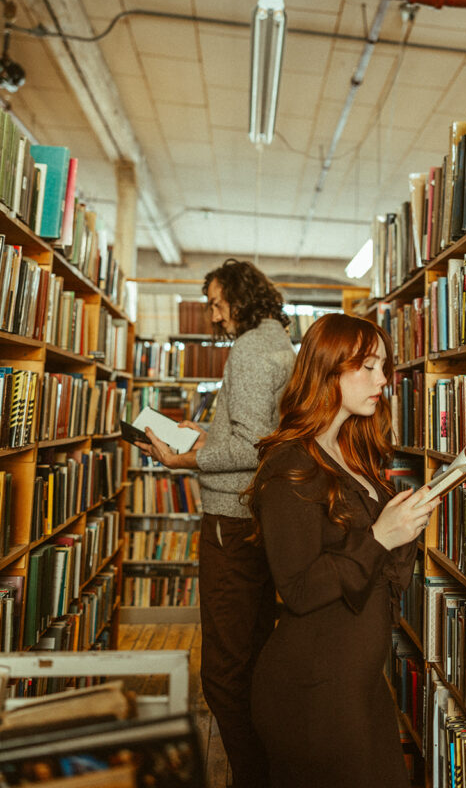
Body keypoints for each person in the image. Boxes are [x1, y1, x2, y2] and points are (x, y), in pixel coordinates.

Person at [244, 313, 437, 788]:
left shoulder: (352, 460)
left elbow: (384, 581)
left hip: (359, 684)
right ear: (329, 370)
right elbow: (299, 590)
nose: (383, 380)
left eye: (384, 367)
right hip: (311, 692)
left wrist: (406, 528)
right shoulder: (289, 466)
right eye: (368, 367)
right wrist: (380, 538)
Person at [136, 259, 295, 788]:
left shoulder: (250, 350)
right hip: (256, 515)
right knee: (252, 654)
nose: (212, 313)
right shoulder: (278, 342)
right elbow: (257, 428)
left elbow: (254, 444)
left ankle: (255, 776)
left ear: (241, 297)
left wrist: (189, 459)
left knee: (223, 675)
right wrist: (204, 431)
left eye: (216, 301)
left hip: (231, 518)